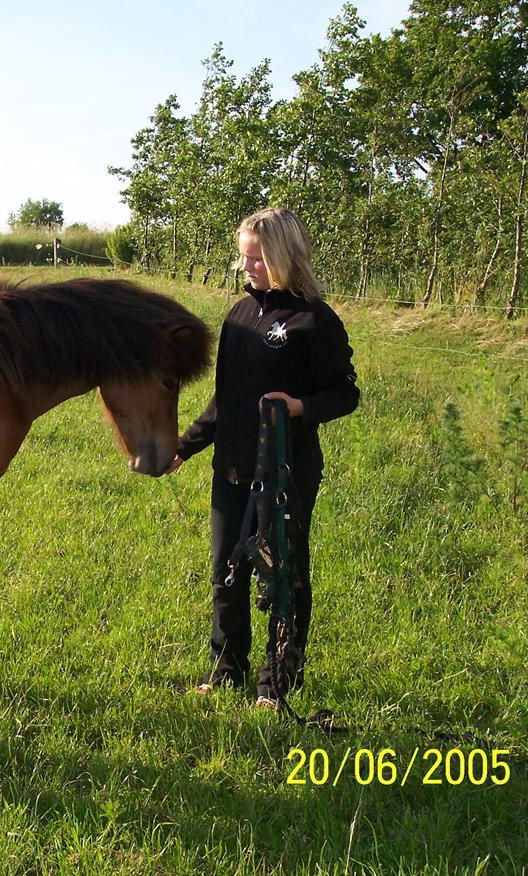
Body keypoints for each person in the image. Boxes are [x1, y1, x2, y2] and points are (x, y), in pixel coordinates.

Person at [170, 207, 359, 708]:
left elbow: (344, 394)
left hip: (285, 471)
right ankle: (227, 670)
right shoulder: (238, 315)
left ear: (282, 256)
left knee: (284, 574)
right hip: (230, 467)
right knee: (225, 572)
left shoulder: (314, 321)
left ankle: (277, 684)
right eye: (243, 256)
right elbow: (225, 398)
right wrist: (184, 447)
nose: (244, 265)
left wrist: (301, 407)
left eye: (254, 257)